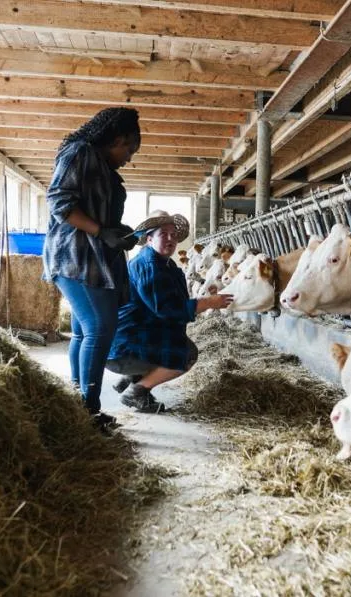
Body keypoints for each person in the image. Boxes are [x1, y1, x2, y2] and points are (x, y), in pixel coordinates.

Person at [42, 107, 141, 428]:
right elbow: (59, 202)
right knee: (100, 327)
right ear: (117, 139)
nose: (129, 158)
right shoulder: (80, 152)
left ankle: (78, 403)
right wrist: (101, 232)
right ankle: (89, 410)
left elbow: (97, 213)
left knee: (86, 331)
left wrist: (117, 232)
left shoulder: (102, 166)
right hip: (74, 256)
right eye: (129, 149)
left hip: (93, 258)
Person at [107, 210, 234, 413]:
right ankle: (136, 390)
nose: (171, 239)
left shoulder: (163, 262)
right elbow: (168, 310)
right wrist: (209, 302)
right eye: (163, 234)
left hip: (129, 335)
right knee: (186, 354)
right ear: (149, 239)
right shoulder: (150, 265)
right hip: (123, 345)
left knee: (177, 338)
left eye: (174, 235)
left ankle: (130, 378)